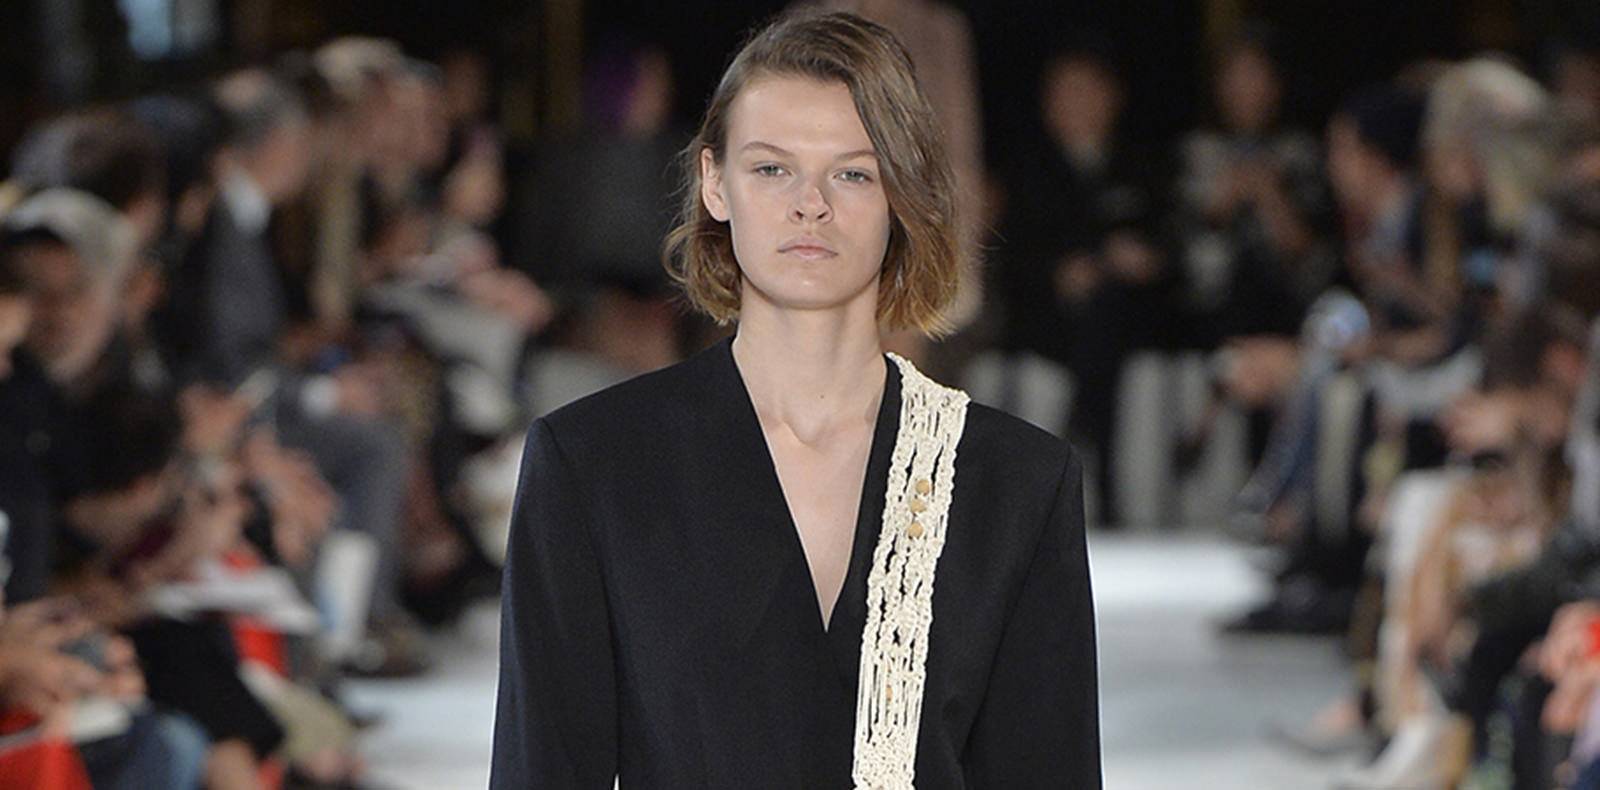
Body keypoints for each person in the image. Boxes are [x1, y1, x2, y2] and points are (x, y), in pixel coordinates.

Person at [490, 11, 1100, 788]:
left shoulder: (1017, 484)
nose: (810, 204)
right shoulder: (593, 466)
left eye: (853, 173)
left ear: (902, 194)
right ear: (714, 183)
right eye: (772, 168)